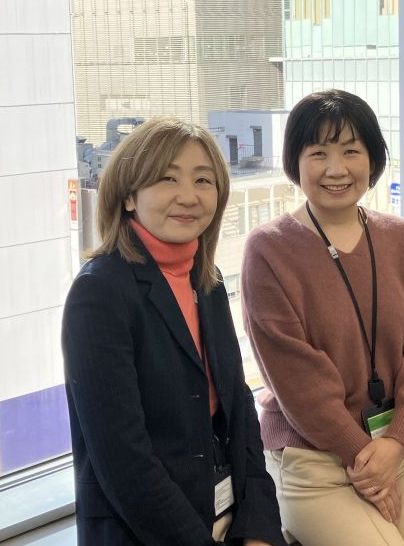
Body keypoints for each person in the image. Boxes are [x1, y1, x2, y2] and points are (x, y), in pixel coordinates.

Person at [241, 90, 404, 546]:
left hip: (399, 444)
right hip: (314, 459)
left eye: (350, 151)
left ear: (372, 159)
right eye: (318, 153)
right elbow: (298, 380)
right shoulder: (269, 250)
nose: (336, 169)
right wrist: (364, 457)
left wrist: (396, 443)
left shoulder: (399, 238)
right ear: (295, 162)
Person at [62, 117, 286, 546]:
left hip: (226, 515)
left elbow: (239, 409)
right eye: (168, 178)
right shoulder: (99, 293)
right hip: (148, 534)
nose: (188, 196)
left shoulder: (208, 280)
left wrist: (258, 528)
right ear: (129, 196)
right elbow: (125, 462)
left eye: (203, 180)